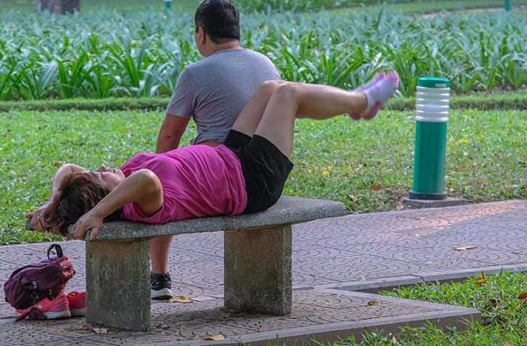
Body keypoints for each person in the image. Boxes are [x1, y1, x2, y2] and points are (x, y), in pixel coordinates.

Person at [25, 71, 401, 297]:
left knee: (271, 87)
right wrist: (96, 213)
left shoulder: (122, 183)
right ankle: (362, 101)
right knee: (289, 95)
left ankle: (356, 103)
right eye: (101, 174)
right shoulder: (142, 202)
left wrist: (51, 201)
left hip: (232, 157)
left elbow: (69, 167)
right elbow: (147, 178)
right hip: (253, 183)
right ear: (107, 196)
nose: (104, 166)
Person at [149, 0, 279, 298]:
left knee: (156, 188)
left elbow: (169, 137)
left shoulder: (196, 73)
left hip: (218, 177)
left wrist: (157, 173)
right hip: (263, 178)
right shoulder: (266, 64)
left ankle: (158, 277)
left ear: (200, 33)